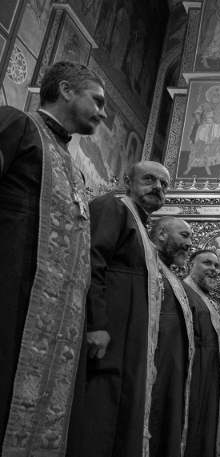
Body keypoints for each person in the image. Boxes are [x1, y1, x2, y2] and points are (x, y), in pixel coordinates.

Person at [0, 61, 105, 454]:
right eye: (96, 100)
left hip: (54, 317)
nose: (103, 112)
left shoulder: (72, 167)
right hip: (13, 290)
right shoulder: (17, 124)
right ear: (65, 90)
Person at [67, 160, 170, 457]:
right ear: (128, 181)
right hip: (107, 337)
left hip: (126, 343)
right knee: (98, 416)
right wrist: (96, 324)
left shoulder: (138, 223)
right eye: (149, 180)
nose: (157, 188)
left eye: (164, 185)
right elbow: (91, 262)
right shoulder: (114, 208)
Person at [148, 217, 194, 457]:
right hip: (152, 366)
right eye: (184, 236)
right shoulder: (147, 264)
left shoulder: (170, 275)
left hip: (171, 371)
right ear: (162, 234)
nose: (189, 244)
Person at [183, 250, 220, 457]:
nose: (213, 270)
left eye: (216, 266)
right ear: (190, 265)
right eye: (207, 263)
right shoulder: (182, 291)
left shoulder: (208, 299)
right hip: (194, 374)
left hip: (213, 377)